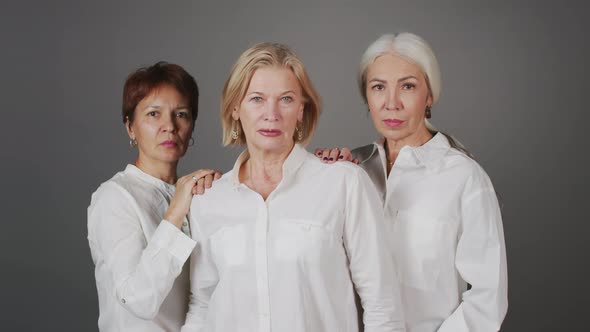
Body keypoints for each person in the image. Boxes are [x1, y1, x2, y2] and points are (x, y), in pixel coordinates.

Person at [181, 43, 405, 332]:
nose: (271, 114)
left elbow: (382, 305)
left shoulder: (343, 183)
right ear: (235, 108)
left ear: (301, 109)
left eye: (285, 99)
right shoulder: (208, 199)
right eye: (257, 99)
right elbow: (202, 304)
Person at [316, 33, 508, 332]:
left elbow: (488, 298)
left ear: (429, 95)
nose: (392, 103)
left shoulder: (464, 178)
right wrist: (219, 187)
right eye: (378, 87)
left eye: (408, 86)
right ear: (366, 95)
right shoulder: (348, 170)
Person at [87, 62, 220, 332]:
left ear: (192, 125)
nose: (169, 126)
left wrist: (324, 166)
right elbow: (138, 300)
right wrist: (174, 215)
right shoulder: (115, 198)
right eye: (153, 114)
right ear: (130, 127)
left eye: (181, 114)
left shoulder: (200, 194)